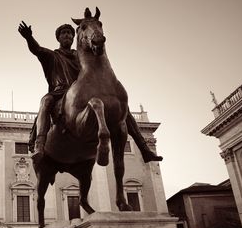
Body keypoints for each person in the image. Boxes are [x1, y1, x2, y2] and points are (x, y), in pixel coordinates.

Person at [18, 21, 162, 164]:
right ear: (58, 38)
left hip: (84, 93)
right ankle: (40, 144)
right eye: (64, 33)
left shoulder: (81, 56)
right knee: (45, 101)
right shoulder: (52, 56)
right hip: (60, 92)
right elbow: (37, 49)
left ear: (75, 38)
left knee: (122, 107)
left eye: (70, 33)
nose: (67, 35)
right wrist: (28, 37)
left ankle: (144, 149)